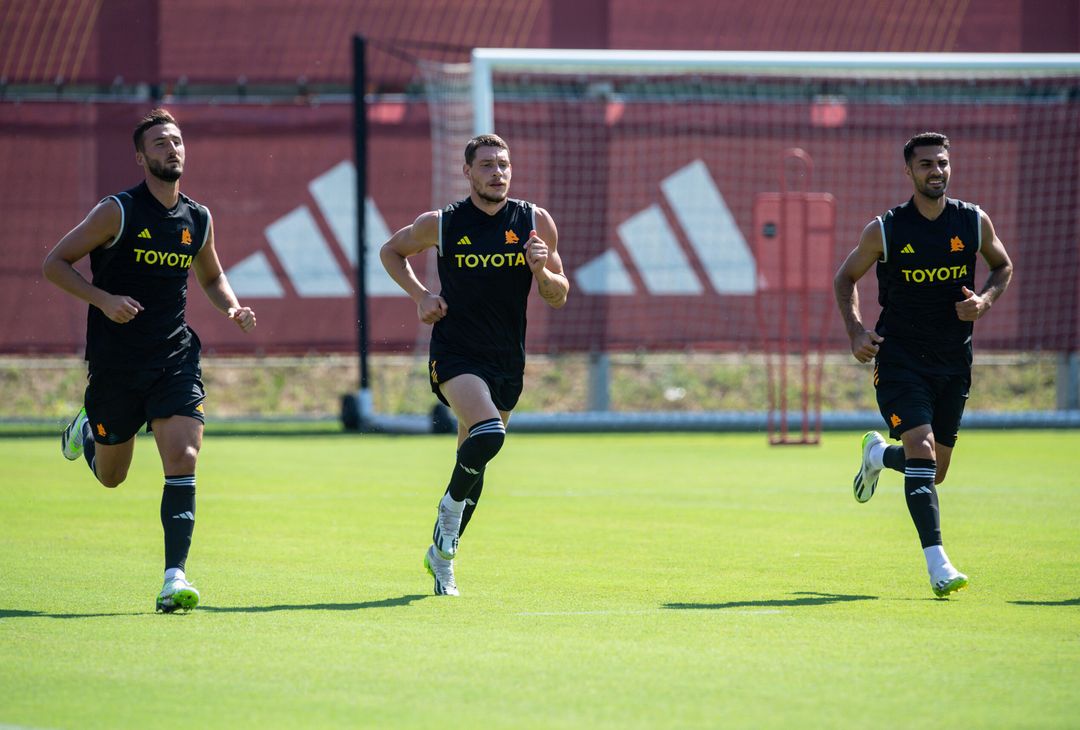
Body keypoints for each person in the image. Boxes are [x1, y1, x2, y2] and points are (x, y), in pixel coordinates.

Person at [42, 108, 256, 613]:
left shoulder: (198, 218)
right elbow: (55, 264)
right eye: (159, 143)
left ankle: (173, 578)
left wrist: (231, 306)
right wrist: (103, 300)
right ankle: (88, 430)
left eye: (176, 140)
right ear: (140, 157)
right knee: (112, 477)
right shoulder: (117, 211)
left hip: (174, 357)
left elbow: (210, 276)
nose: (171, 149)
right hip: (117, 364)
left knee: (184, 458)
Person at [380, 133, 569, 596]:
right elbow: (391, 251)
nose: (497, 173)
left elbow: (559, 294)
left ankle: (442, 557)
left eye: (503, 164)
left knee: (476, 460)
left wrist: (541, 270)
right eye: (486, 165)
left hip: (507, 358)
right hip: (455, 352)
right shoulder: (442, 223)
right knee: (489, 433)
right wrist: (421, 295)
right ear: (467, 172)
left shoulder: (534, 221)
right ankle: (448, 512)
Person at [833, 131, 1013, 598]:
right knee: (922, 446)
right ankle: (939, 565)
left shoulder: (972, 221)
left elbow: (1002, 266)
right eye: (927, 164)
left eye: (942, 163)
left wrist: (985, 301)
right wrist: (856, 331)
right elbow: (845, 278)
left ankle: (877, 457)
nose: (937, 171)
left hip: (953, 360)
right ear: (909, 172)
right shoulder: (885, 230)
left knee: (933, 471)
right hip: (900, 358)